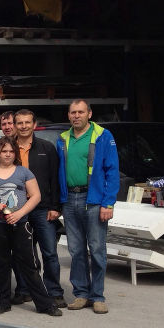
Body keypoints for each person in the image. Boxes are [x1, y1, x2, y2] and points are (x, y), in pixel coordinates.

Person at [0, 137, 62, 317]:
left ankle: (44, 304)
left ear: (15, 153)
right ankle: (3, 301)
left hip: (21, 224)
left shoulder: (24, 173)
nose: (7, 154)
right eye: (4, 151)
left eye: (11, 151)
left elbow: (35, 196)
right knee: (1, 264)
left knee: (29, 264)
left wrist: (20, 214)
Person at [56, 99, 119, 314]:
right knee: (76, 250)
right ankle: (81, 294)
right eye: (73, 112)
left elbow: (112, 171)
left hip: (93, 200)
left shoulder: (103, 136)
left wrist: (108, 202)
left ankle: (98, 295)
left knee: (97, 249)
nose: (76, 116)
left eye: (80, 112)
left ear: (89, 114)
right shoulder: (63, 139)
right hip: (70, 200)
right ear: (68, 115)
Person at [10, 109, 65, 308]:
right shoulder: (9, 148)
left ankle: (54, 292)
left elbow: (55, 179)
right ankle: (24, 290)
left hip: (43, 209)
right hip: (17, 208)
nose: (23, 126)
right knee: (22, 253)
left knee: (49, 251)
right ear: (14, 125)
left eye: (27, 122)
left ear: (34, 125)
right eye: (19, 123)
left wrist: (55, 206)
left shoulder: (47, 148)